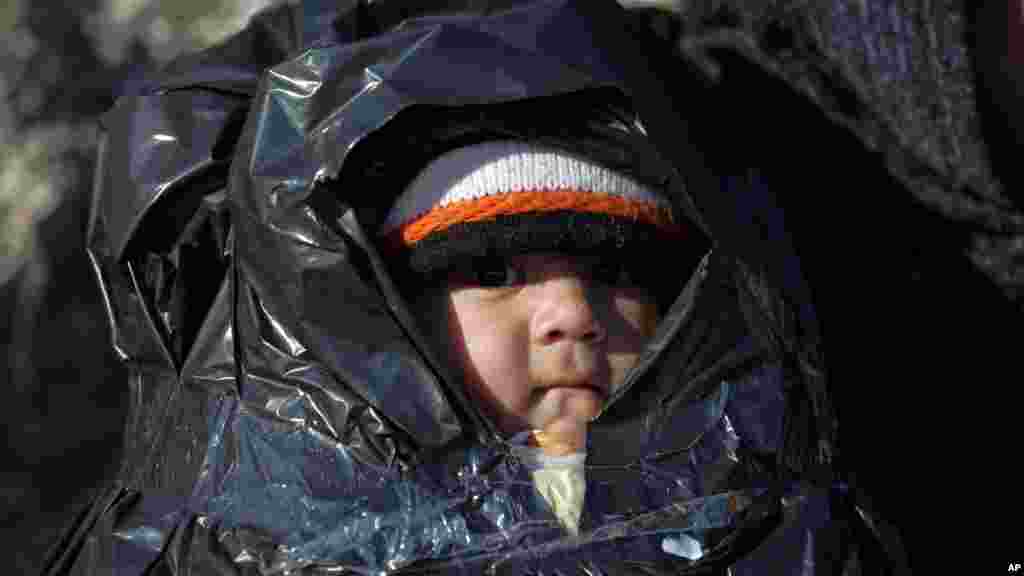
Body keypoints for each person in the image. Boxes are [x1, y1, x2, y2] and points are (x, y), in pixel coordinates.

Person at [47, 1, 908, 574]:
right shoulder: (262, 535)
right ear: (389, 324)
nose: (571, 315)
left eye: (616, 273)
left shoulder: (762, 503)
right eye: (494, 274)